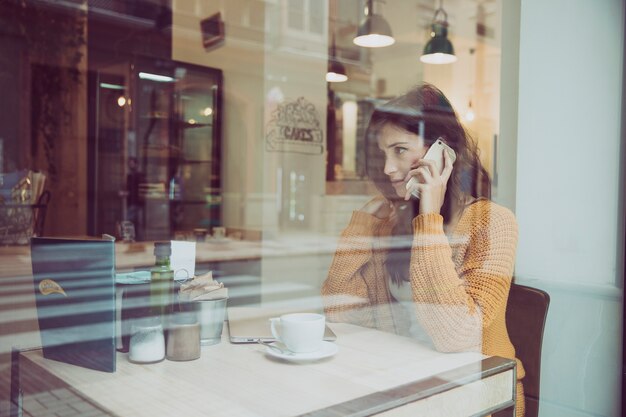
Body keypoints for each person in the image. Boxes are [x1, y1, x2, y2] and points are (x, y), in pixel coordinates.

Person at [321, 83, 524, 416]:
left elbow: (455, 336)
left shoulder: (493, 223)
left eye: (399, 150)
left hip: (474, 395)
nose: (387, 168)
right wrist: (361, 226)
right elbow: (339, 312)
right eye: (383, 153)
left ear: (441, 151)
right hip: (402, 380)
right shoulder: (390, 221)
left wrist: (429, 217)